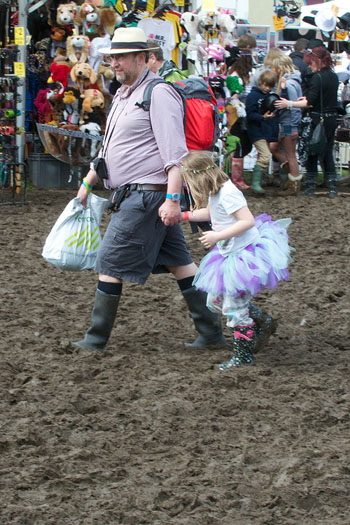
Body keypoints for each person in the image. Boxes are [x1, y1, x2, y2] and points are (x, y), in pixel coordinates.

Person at [72, 27, 227, 353]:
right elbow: (110, 147)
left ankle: (95, 339)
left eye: (122, 57)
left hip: (147, 196)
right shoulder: (124, 95)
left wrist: (172, 199)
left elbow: (175, 156)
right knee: (180, 264)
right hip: (139, 195)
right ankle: (217, 329)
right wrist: (89, 180)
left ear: (142, 58)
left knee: (109, 262)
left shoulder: (158, 94)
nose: (115, 63)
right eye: (113, 56)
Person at [180, 151, 293, 370]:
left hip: (243, 257)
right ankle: (262, 320)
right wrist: (182, 216)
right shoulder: (215, 192)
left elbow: (247, 221)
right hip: (226, 255)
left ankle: (243, 355)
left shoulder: (228, 192)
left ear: (199, 176)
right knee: (214, 302)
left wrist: (217, 236)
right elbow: (209, 214)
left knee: (234, 308)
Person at [275, 47, 339, 198]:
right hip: (331, 119)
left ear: (317, 61)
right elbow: (322, 98)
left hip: (317, 120)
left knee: (312, 152)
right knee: (327, 152)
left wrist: (289, 104)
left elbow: (310, 103)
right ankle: (332, 188)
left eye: (311, 63)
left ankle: (310, 188)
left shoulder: (317, 78)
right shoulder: (334, 77)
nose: (309, 66)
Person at [245, 70, 282, 194]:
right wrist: (262, 117)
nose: (267, 88)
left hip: (264, 130)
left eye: (269, 86)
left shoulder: (268, 96)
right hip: (256, 130)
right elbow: (250, 115)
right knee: (265, 155)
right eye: (265, 85)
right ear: (260, 83)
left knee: (264, 156)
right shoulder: (253, 96)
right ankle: (255, 183)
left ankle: (257, 182)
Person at [271, 54, 303, 195]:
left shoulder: (289, 84)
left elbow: (295, 107)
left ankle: (294, 184)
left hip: (289, 124)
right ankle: (293, 179)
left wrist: (294, 126)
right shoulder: (292, 82)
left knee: (290, 155)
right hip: (288, 123)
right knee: (275, 148)